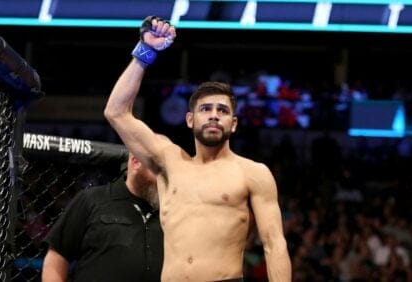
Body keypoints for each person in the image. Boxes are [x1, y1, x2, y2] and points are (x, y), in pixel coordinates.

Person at [104, 16, 292, 281]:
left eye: (222, 110)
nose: (214, 115)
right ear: (190, 120)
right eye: (205, 109)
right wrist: (145, 53)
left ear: (233, 123)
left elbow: (274, 244)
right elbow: (116, 112)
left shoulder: (253, 173)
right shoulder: (169, 160)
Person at [41, 152, 163, 282]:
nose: (165, 178)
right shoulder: (92, 200)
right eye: (159, 169)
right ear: (136, 161)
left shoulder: (172, 214)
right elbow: (56, 259)